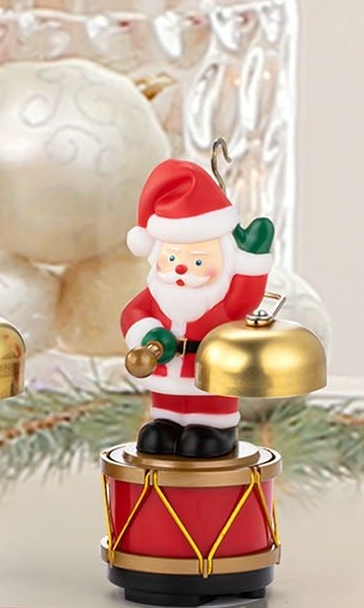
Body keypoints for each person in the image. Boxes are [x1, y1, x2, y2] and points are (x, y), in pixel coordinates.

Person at [118, 159, 275, 459]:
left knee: (206, 413)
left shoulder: (222, 299)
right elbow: (131, 314)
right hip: (164, 371)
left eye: (198, 261)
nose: (181, 270)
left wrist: (253, 261)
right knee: (164, 413)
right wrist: (147, 333)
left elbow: (245, 299)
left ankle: (215, 430)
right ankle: (166, 425)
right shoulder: (157, 294)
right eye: (172, 259)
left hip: (209, 373)